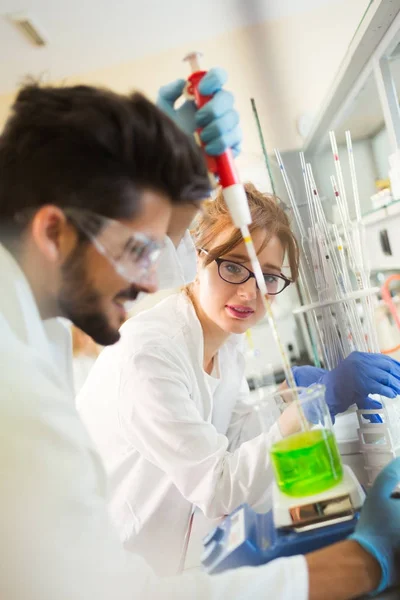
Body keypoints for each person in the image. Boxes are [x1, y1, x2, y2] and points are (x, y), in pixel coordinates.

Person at [0, 72, 398, 600]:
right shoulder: (23, 397)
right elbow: (114, 592)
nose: (149, 281)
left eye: (270, 279)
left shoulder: (31, 312)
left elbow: (224, 430)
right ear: (52, 232)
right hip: (150, 560)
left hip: (185, 550)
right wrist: (362, 562)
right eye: (142, 251)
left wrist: (172, 176)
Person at [77, 181, 400, 576]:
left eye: (268, 276)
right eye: (232, 266)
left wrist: (291, 398)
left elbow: (229, 435)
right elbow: (218, 486)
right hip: (114, 572)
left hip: (174, 561)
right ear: (199, 258)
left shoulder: (225, 340)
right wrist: (315, 405)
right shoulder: (151, 354)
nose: (250, 292)